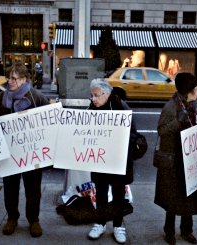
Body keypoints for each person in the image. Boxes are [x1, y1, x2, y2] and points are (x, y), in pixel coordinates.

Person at [0, 61, 49, 238]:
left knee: (33, 189)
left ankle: (34, 220)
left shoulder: (37, 97)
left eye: (14, 78)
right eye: (9, 78)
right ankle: (12, 218)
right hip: (9, 154)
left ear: (24, 79)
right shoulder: (1, 99)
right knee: (10, 188)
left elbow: (48, 124)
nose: (10, 81)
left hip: (31, 154)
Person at [154, 72, 197, 245]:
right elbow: (161, 130)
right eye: (196, 89)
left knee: (189, 197)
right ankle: (169, 231)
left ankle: (186, 230)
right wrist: (178, 121)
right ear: (188, 90)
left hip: (189, 158)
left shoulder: (193, 104)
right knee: (172, 199)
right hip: (174, 159)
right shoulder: (171, 107)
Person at [86, 78, 137, 244]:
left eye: (96, 95)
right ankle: (100, 223)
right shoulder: (91, 108)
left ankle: (118, 225)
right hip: (100, 160)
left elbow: (132, 134)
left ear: (107, 94)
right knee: (100, 192)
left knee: (117, 194)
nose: (93, 98)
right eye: (91, 95)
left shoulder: (121, 107)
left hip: (118, 161)